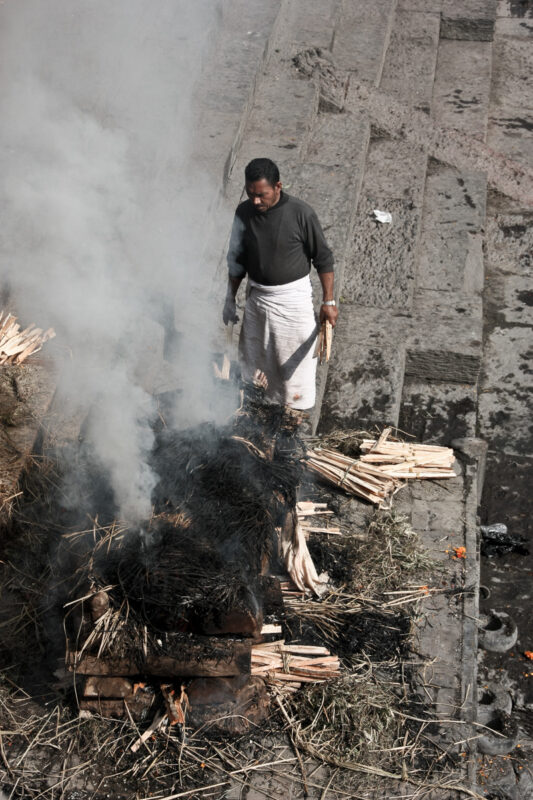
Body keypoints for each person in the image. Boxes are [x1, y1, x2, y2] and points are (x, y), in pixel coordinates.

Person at [223, 157, 338, 411]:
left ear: (278, 186)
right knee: (255, 362)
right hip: (258, 301)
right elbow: (236, 260)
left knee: (295, 369)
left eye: (261, 195)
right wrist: (230, 299)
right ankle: (255, 411)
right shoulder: (244, 212)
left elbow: (323, 259)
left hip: (292, 302)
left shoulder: (301, 213)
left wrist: (328, 301)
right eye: (251, 194)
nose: (255, 201)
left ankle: (291, 420)